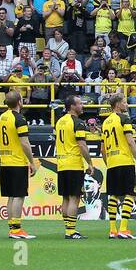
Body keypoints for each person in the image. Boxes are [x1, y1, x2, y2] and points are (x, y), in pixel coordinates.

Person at [0, 89, 40, 240]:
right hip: (17, 161)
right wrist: (32, 162)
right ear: (20, 102)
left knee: (10, 196)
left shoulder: (2, 117)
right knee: (19, 196)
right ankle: (16, 230)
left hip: (5, 161)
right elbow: (25, 143)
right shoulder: (19, 119)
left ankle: (12, 228)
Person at [102, 92, 136, 239]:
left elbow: (103, 149)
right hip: (124, 160)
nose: (127, 104)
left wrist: (109, 163)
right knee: (129, 194)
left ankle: (112, 230)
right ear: (118, 104)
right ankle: (123, 229)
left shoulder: (105, 122)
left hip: (112, 162)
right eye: (125, 102)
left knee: (114, 195)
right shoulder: (124, 119)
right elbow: (130, 141)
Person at [54, 94, 91, 240]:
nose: (82, 106)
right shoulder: (78, 123)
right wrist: (90, 162)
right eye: (80, 104)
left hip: (62, 164)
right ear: (72, 106)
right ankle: (71, 231)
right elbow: (82, 145)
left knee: (65, 198)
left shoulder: (59, 122)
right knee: (74, 198)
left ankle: (67, 229)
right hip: (74, 163)